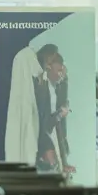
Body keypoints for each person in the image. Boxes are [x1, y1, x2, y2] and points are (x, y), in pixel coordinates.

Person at [34, 44, 73, 176]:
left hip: (53, 143)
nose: (61, 75)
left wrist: (64, 161)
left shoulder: (56, 89)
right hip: (44, 146)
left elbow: (58, 129)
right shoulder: (42, 89)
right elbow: (45, 125)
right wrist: (59, 115)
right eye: (59, 71)